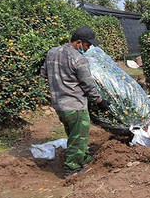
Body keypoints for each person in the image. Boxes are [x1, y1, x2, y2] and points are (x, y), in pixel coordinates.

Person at [40, 26, 110, 180]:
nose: (88, 48)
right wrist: (99, 101)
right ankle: (71, 170)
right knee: (78, 138)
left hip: (59, 105)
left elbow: (44, 73)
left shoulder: (52, 52)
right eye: (87, 45)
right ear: (79, 43)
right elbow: (88, 84)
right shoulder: (79, 59)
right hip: (75, 105)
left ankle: (83, 158)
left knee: (74, 134)